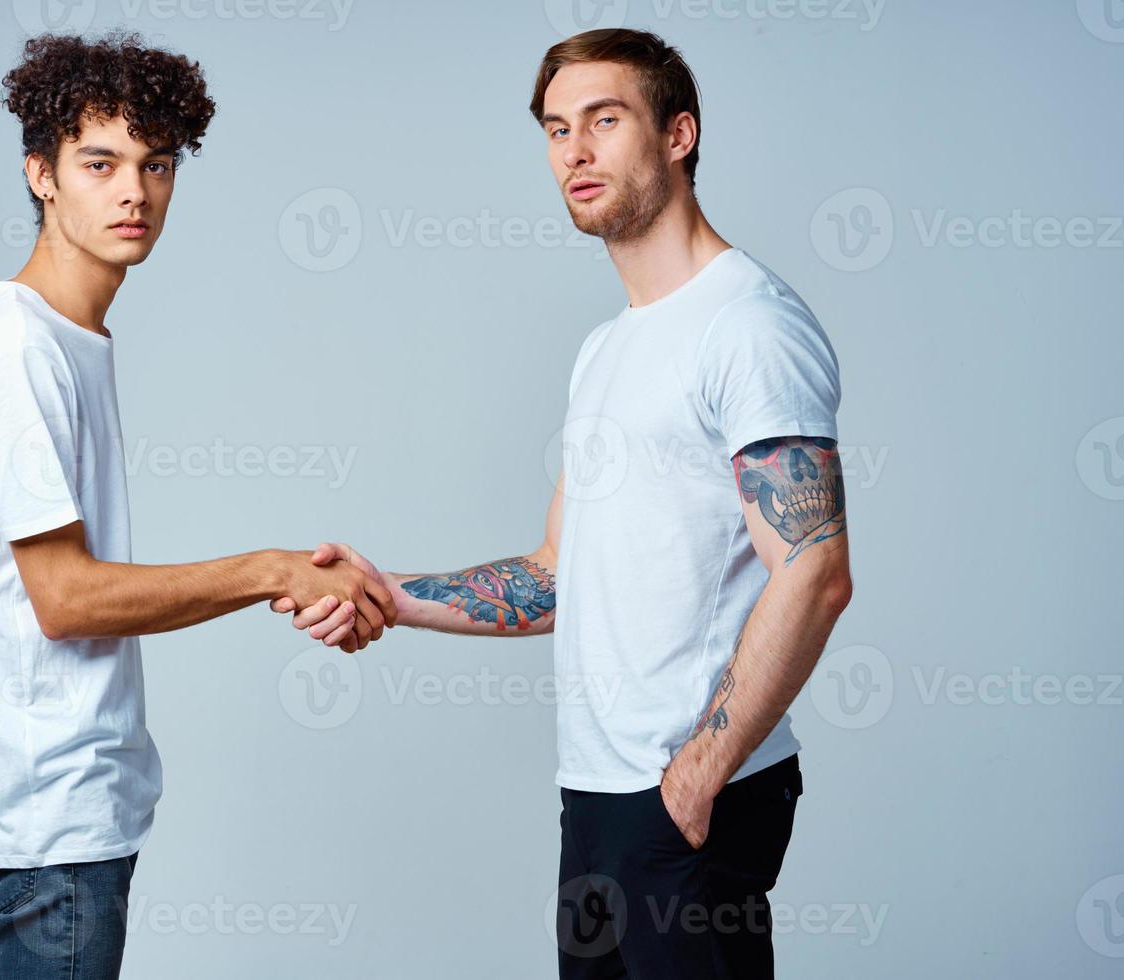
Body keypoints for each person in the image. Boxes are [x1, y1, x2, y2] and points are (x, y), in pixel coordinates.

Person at [274, 28, 852, 979]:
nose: (575, 152)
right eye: (555, 130)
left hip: (686, 796)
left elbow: (816, 570)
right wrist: (389, 593)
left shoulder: (749, 327)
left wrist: (698, 774)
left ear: (677, 134)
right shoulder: (608, 351)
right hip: (595, 796)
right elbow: (554, 576)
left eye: (605, 120)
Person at [0, 32, 395, 979]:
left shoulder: (65, 341)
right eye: (100, 163)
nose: (134, 191)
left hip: (63, 815)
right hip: (51, 821)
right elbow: (67, 598)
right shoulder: (16, 350)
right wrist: (271, 570)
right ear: (41, 174)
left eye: (157, 164)